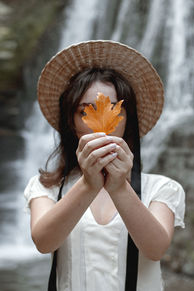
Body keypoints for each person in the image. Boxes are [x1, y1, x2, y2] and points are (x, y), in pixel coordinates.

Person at [24, 40, 185, 291]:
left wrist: (119, 187)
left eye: (114, 109)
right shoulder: (46, 187)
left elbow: (155, 249)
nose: (100, 123)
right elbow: (44, 242)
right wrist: (88, 184)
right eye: (85, 110)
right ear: (72, 122)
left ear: (127, 120)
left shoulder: (163, 188)